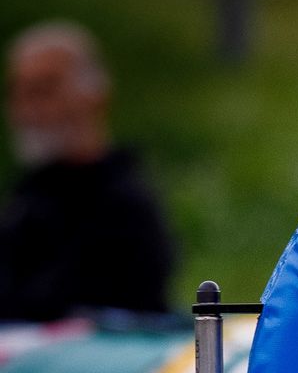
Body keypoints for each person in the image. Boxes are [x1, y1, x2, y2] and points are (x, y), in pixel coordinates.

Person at [0, 21, 175, 321]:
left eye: (44, 90)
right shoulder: (25, 203)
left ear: (95, 95)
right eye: (20, 92)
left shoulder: (124, 209)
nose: (29, 110)